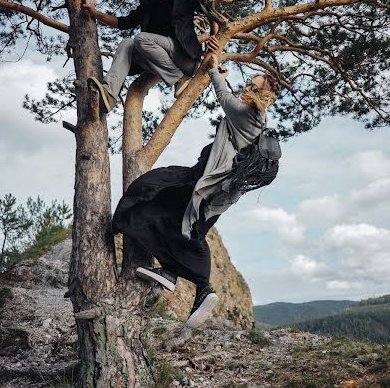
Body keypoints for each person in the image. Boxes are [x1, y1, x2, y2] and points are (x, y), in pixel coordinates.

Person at [112, 54, 281, 328]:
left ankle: (203, 286)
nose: (247, 87)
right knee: (182, 224)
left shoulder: (244, 113)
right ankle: (169, 273)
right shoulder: (260, 118)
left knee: (154, 190)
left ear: (264, 96)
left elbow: (223, 95)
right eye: (249, 82)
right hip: (221, 190)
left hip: (206, 182)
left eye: (253, 86)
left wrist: (214, 69)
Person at [82, 0, 218, 113]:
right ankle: (109, 94)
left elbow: (210, 11)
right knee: (127, 43)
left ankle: (180, 77)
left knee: (141, 39)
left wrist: (214, 35)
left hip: (185, 58)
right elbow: (121, 23)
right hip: (160, 61)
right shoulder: (146, 6)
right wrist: (94, 13)